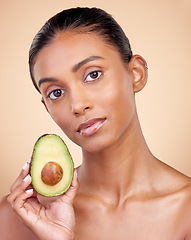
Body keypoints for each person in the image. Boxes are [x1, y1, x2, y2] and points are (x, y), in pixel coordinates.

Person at [0, 7, 191, 240]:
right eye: (57, 92)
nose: (78, 105)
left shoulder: (185, 211)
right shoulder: (16, 217)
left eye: (93, 74)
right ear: (46, 107)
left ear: (136, 73)